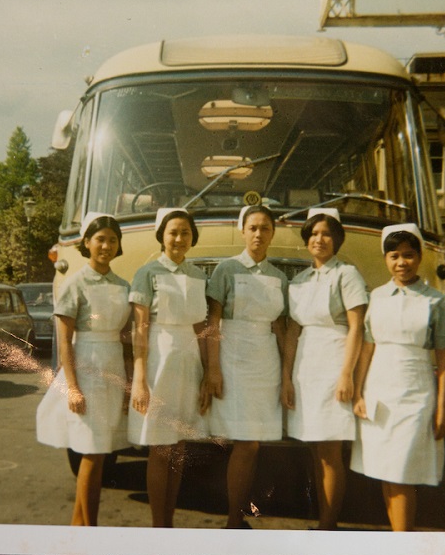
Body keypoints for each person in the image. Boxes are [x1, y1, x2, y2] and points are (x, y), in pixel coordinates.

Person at [350, 224, 445, 531]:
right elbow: (367, 350)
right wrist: (359, 393)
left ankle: (404, 545)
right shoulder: (377, 297)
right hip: (379, 392)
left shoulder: (434, 301)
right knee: (387, 471)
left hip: (415, 391)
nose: (402, 263)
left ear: (419, 257)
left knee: (402, 473)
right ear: (386, 259)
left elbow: (443, 359)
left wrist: (443, 409)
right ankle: (402, 540)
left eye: (409, 256)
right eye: (394, 256)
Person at [35, 213, 131, 526]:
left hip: (113, 366)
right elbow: (65, 343)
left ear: (118, 246)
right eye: (99, 239)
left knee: (101, 451)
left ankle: (79, 526)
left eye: (112, 240)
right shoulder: (75, 283)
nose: (105, 245)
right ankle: (91, 530)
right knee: (91, 451)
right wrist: (73, 388)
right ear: (87, 243)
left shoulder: (123, 285)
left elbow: (127, 337)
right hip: (87, 369)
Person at [202, 205, 288, 529]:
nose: (258, 234)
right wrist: (213, 369)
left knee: (254, 442)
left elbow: (279, 329)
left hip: (265, 361)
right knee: (246, 442)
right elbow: (213, 322)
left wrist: (284, 373)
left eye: (264, 228)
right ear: (242, 231)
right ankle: (232, 518)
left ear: (272, 233)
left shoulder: (279, 277)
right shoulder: (226, 270)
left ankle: (236, 515)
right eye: (252, 227)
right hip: (233, 357)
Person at [282, 208, 368, 530]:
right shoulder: (300, 281)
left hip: (334, 359)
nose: (320, 239)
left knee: (331, 449)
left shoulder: (348, 274)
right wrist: (288, 376)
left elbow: (357, 327)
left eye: (327, 233)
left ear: (337, 239)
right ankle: (323, 521)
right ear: (307, 240)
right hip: (307, 364)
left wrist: (346, 374)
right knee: (316, 448)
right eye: (314, 234)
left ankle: (329, 526)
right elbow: (293, 330)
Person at [128, 208, 209, 527]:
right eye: (173, 232)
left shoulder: (199, 275)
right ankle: (157, 525)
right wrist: (140, 378)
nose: (178, 238)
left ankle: (169, 522)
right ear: (162, 235)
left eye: (185, 233)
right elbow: (140, 329)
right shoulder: (146, 273)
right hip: (158, 360)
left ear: (192, 238)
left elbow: (202, 327)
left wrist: (207, 372)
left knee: (179, 448)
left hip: (188, 363)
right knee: (160, 447)